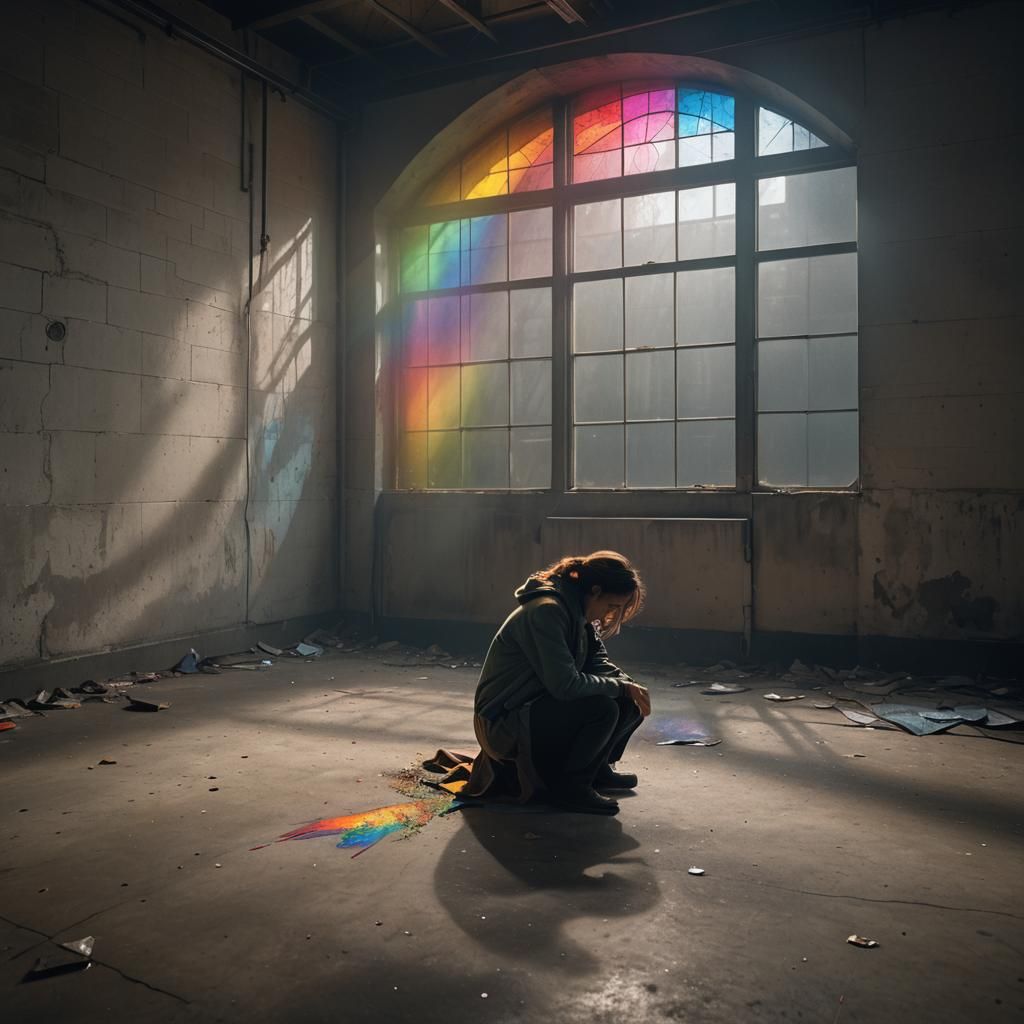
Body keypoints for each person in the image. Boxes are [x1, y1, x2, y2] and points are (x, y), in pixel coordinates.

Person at [463, 551, 651, 815]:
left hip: (533, 707)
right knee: (602, 709)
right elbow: (565, 685)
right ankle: (571, 788)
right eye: (612, 606)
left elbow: (597, 663)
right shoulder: (547, 612)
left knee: (628, 701)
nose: (612, 615)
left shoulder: (579, 611)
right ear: (595, 592)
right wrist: (620, 687)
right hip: (502, 723)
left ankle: (595, 770)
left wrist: (627, 685)